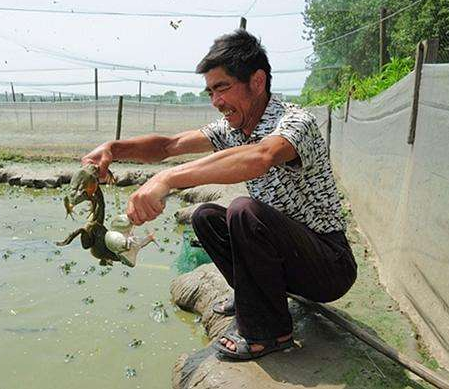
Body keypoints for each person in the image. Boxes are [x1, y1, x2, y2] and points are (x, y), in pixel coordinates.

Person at [82, 29, 357, 360]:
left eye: (222, 88)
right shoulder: (233, 129)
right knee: (207, 217)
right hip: (288, 261)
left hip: (328, 267)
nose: (216, 101)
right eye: (210, 91)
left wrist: (167, 180)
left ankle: (270, 334)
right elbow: (168, 145)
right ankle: (250, 298)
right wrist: (113, 148)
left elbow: (260, 157)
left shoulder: (295, 122)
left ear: (257, 81)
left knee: (244, 211)